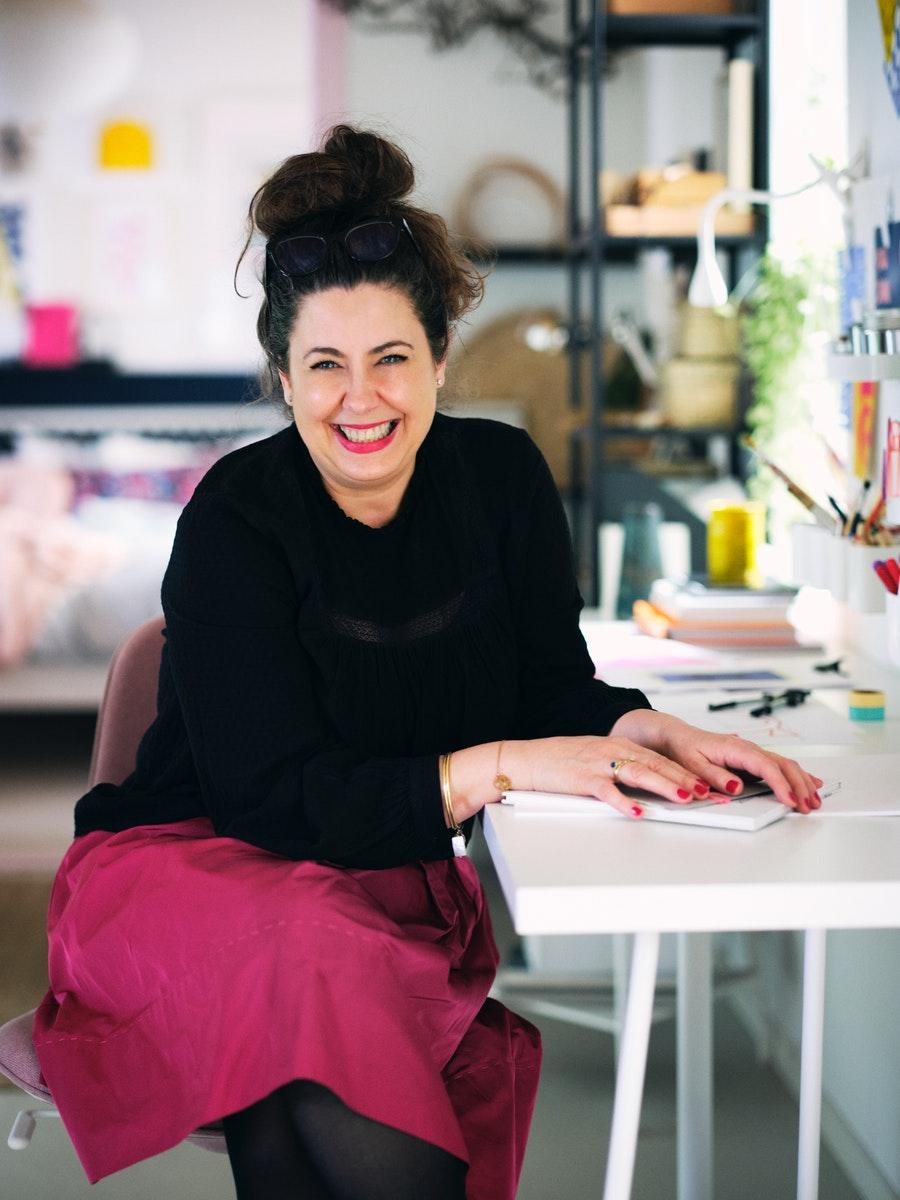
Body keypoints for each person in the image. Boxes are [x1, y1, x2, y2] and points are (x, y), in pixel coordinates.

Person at [32, 125, 823, 1200]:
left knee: (292, 1080)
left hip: (362, 886)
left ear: (441, 357)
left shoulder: (500, 477)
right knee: (306, 978)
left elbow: (551, 684)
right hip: (189, 867)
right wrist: (498, 765)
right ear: (282, 377)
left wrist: (643, 727)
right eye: (325, 366)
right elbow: (270, 797)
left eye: (392, 358)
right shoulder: (236, 517)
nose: (362, 400)